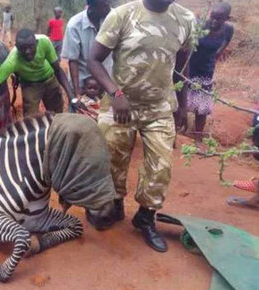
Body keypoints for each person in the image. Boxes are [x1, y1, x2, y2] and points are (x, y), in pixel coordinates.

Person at [87, 0, 195, 252]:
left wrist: (182, 104)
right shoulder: (123, 15)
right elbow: (93, 59)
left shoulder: (185, 19)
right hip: (120, 104)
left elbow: (181, 65)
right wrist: (115, 94)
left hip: (159, 107)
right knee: (112, 159)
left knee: (161, 164)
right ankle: (114, 206)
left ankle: (145, 217)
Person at [0, 29, 75, 125]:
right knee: (30, 122)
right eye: (23, 49)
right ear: (16, 47)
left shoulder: (44, 41)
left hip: (50, 79)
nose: (28, 52)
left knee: (57, 116)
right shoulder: (12, 61)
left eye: (31, 47)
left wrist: (72, 98)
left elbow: (58, 70)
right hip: (30, 85)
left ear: (36, 43)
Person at [187, 2, 233, 147]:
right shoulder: (199, 25)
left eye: (219, 18)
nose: (214, 21)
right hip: (188, 70)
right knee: (179, 103)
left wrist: (214, 58)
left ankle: (198, 139)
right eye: (212, 17)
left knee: (202, 108)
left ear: (227, 18)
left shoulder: (228, 30)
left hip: (206, 72)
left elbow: (222, 48)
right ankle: (177, 131)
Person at [61, 0, 113, 103]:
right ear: (91, 6)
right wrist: (77, 95)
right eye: (104, 3)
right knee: (80, 117)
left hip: (109, 85)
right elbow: (73, 61)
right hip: (83, 87)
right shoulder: (74, 25)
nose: (108, 5)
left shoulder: (115, 18)